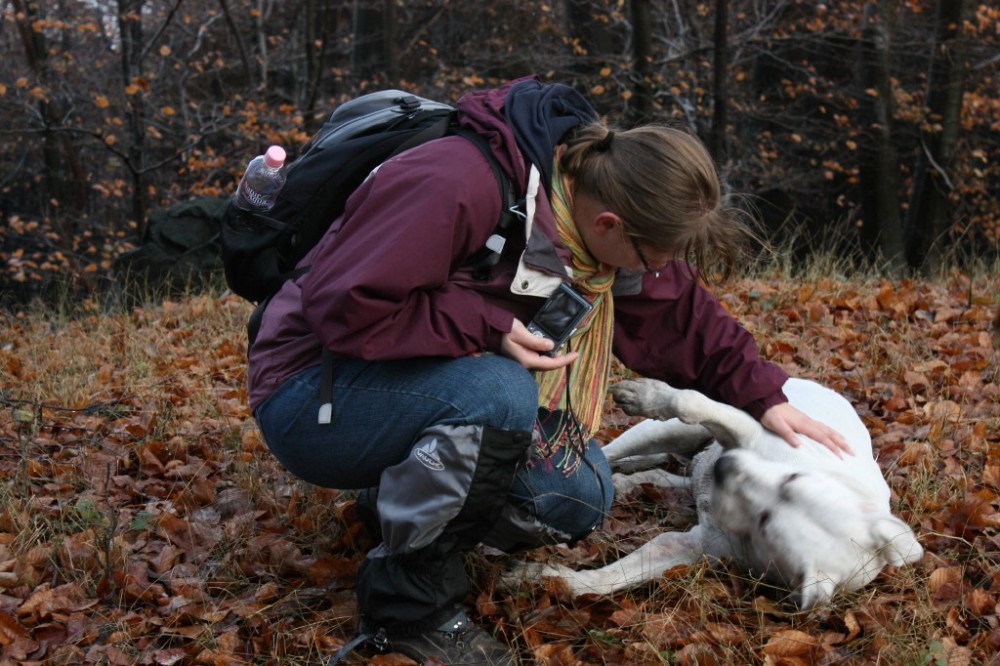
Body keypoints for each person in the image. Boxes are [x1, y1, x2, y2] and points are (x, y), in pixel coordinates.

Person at [246, 76, 851, 665]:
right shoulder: (458, 182)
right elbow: (343, 304)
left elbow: (682, 317)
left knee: (572, 494)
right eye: (656, 255)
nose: (661, 269)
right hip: (308, 391)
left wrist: (765, 396)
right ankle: (409, 611)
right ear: (609, 225)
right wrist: (485, 325)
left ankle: (395, 499)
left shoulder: (596, 221)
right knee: (500, 393)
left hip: (407, 378)